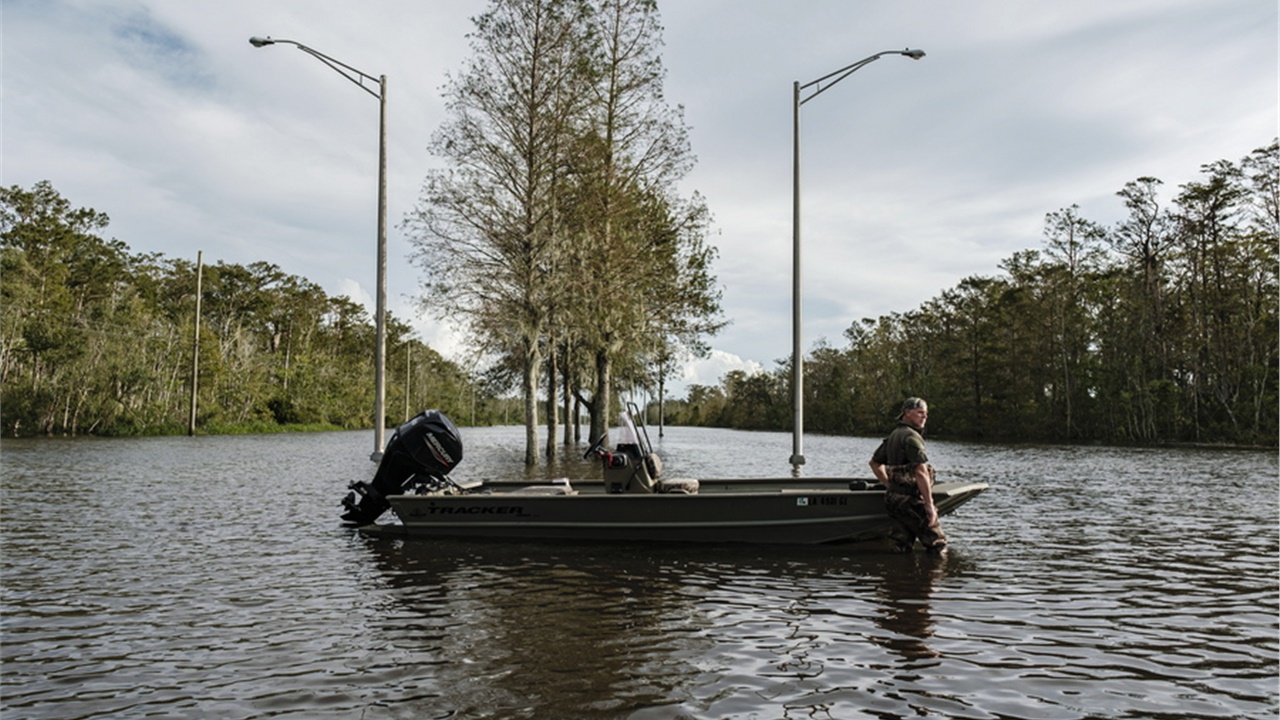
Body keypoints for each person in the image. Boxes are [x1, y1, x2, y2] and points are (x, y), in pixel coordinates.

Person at [868, 397, 947, 554]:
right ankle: (933, 576)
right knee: (937, 545)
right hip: (911, 500)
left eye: (926, 414)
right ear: (907, 413)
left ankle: (898, 577)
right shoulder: (912, 438)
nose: (924, 417)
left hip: (893, 500)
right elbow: (920, 472)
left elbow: (874, 464)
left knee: (901, 545)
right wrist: (929, 505)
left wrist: (890, 486)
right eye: (920, 413)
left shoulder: (894, 435)